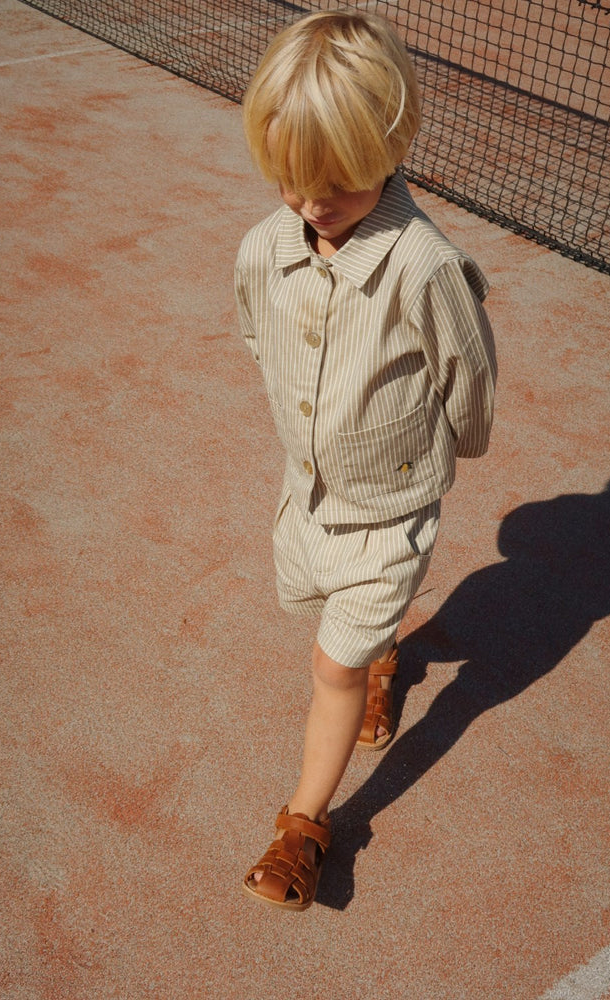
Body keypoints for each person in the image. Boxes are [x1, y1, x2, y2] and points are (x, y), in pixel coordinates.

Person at [234, 7, 497, 911]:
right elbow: (255, 328)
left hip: (390, 513)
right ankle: (386, 657)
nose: (312, 204)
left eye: (336, 183)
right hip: (307, 498)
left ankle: (304, 826)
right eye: (290, 181)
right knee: (334, 626)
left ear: (392, 144)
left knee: (332, 667)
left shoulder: (424, 265)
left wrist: (443, 454)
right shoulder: (264, 247)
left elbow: (468, 373)